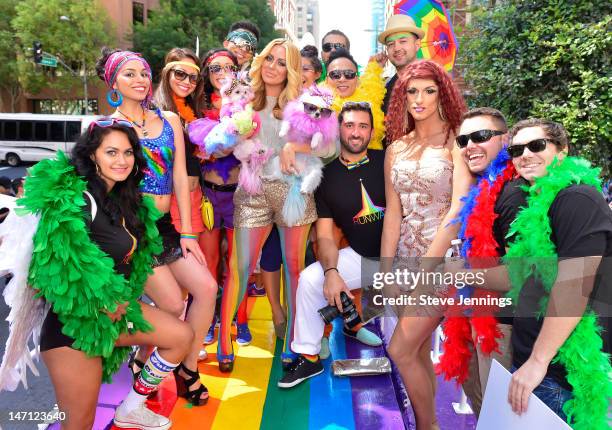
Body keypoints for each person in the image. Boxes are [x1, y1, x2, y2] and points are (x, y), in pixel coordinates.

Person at [1, 120, 193, 429]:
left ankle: (131, 408)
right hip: (74, 330)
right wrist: (103, 299)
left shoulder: (123, 202)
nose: (121, 161)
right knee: (79, 424)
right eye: (111, 152)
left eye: (128, 153)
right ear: (92, 155)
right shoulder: (75, 200)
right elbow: (53, 264)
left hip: (114, 313)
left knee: (181, 335)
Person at [95, 48, 217, 406]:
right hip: (132, 229)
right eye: (129, 74)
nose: (139, 80)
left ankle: (186, 368)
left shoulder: (169, 119)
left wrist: (189, 232)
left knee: (207, 288)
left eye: (144, 73)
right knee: (171, 303)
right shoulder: (106, 127)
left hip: (167, 227)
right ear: (113, 81)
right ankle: (147, 368)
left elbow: (180, 175)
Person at [217, 38, 335, 372]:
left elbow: (330, 147)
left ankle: (293, 341)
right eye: (270, 58)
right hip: (252, 191)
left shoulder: (306, 100)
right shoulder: (240, 97)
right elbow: (224, 145)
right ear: (261, 60)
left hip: (293, 192)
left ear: (292, 69)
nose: (273, 66)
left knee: (294, 268)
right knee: (239, 268)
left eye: (282, 62)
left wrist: (294, 147)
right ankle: (224, 340)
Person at [503, 119, 611, 427]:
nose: (525, 155)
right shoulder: (542, 204)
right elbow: (523, 275)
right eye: (516, 149)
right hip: (540, 365)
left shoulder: (576, 198)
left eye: (536, 146)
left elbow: (574, 284)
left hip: (556, 372)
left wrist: (538, 362)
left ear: (562, 152)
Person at [381, 60, 469, 430]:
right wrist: (385, 271)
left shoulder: (456, 141)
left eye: (428, 90)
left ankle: (427, 427)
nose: (419, 99)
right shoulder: (396, 148)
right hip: (403, 261)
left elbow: (457, 210)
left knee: (399, 349)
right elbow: (392, 214)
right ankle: (428, 421)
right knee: (414, 351)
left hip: (442, 262)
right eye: (411, 91)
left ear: (442, 94)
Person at [278, 102, 384, 388]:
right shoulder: (326, 176)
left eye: (363, 126)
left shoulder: (386, 160)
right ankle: (309, 358)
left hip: (403, 258)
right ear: (338, 129)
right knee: (312, 279)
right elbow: (324, 235)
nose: (356, 132)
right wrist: (332, 272)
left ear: (371, 131)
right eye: (349, 125)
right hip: (366, 259)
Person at [436, 108, 523, 417]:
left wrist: (463, 273)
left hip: (501, 328)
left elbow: (520, 275)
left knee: (499, 415)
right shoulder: (482, 190)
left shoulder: (514, 194)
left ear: (506, 139)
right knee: (484, 410)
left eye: (481, 137)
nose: (470, 145)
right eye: (464, 139)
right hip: (478, 318)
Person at [196, 48, 254, 347]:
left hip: (238, 196)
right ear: (207, 73)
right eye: (215, 67)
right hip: (208, 195)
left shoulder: (247, 103)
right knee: (209, 263)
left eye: (228, 67)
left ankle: (239, 319)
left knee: (238, 264)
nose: (222, 72)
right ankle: (208, 319)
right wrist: (204, 150)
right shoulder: (198, 105)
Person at [326, 49, 387, 150]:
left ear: (357, 79)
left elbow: (372, 85)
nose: (342, 79)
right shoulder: (314, 106)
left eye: (349, 74)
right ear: (326, 79)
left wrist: (374, 67)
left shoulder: (368, 101)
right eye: (335, 74)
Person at [378, 14, 424, 114]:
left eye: (403, 41)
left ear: (417, 45)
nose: (397, 48)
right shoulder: (384, 90)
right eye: (391, 44)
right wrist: (375, 71)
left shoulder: (432, 83)